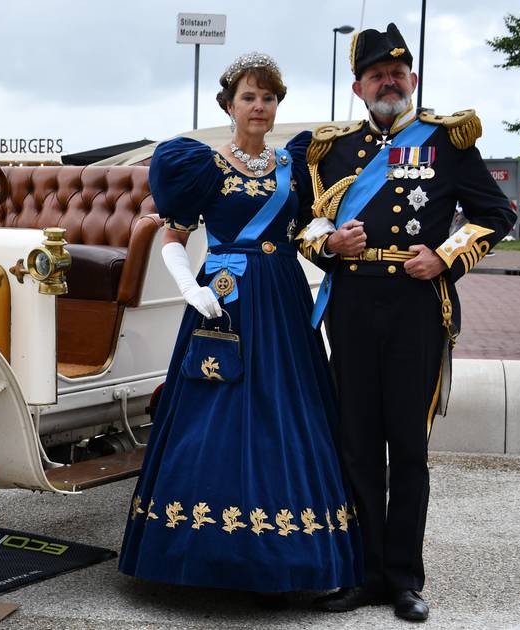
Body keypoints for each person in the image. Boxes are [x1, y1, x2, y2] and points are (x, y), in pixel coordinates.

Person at [120, 52, 361, 604]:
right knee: (213, 414)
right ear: (229, 104)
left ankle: (292, 558)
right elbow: (174, 236)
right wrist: (189, 288)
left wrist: (334, 240)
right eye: (249, 97)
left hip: (280, 297)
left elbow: (307, 227)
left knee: (285, 411)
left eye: (269, 98)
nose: (260, 107)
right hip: (222, 299)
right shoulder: (200, 165)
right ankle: (199, 557)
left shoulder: (292, 166)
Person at [298, 24, 516, 622]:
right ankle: (362, 574)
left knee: (408, 447)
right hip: (353, 306)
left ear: (412, 80)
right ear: (358, 87)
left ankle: (404, 580)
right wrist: (331, 243)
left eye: (397, 74)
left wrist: (445, 255)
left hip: (418, 308)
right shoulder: (332, 149)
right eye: (376, 75)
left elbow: (497, 214)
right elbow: (306, 225)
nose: (387, 82)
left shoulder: (446, 142)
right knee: (358, 441)